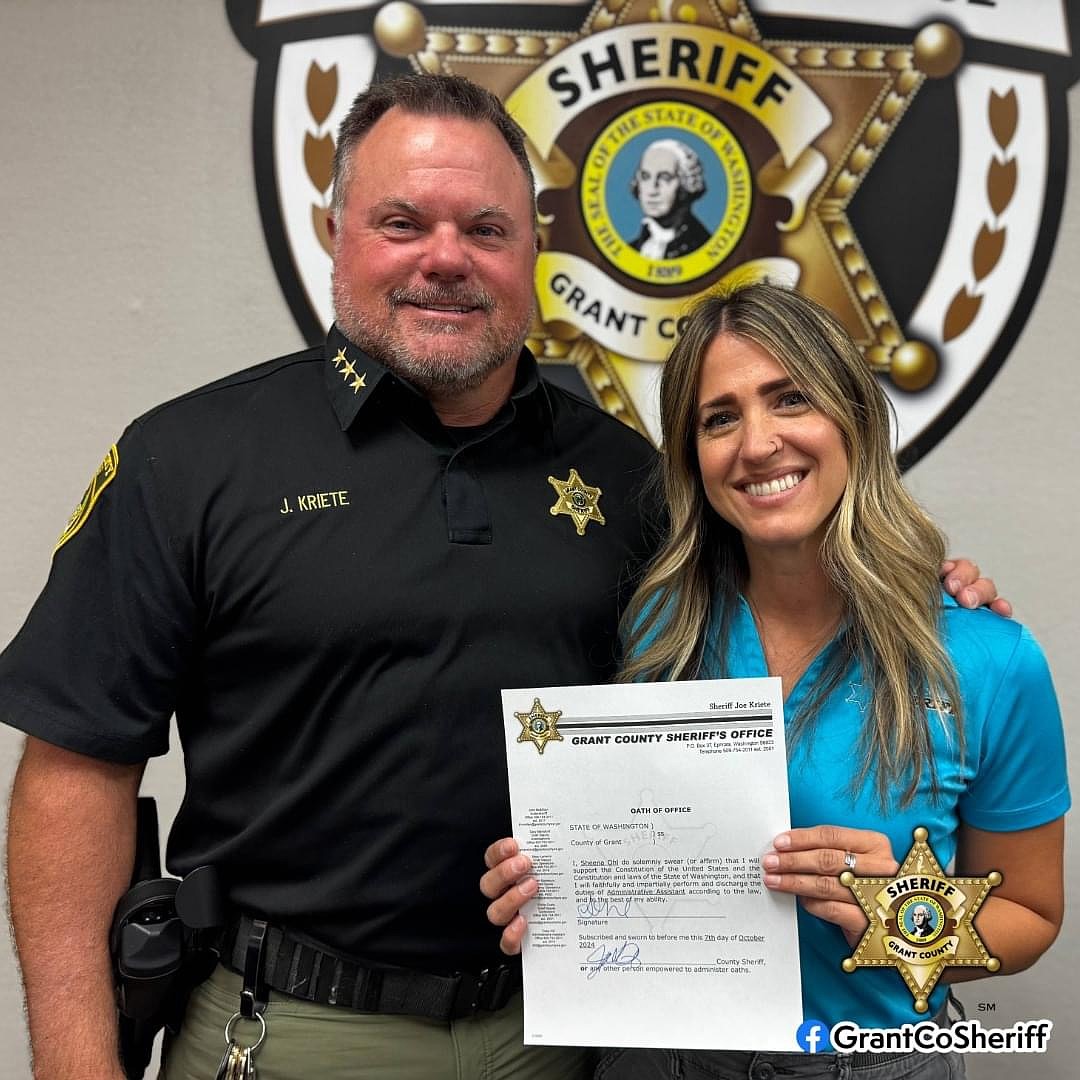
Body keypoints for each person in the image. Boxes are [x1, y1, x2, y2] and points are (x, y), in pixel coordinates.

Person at [0, 73, 1001, 1080]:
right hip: (293, 1031)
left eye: (486, 229)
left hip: (570, 1033)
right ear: (338, 229)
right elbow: (75, 772)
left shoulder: (632, 481)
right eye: (403, 222)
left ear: (533, 254)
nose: (446, 259)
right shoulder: (193, 461)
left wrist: (932, 590)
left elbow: (796, 596)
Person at [481, 283, 1066, 1080]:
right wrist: (551, 888)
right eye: (720, 418)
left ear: (851, 416)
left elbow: (1032, 916)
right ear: (694, 458)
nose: (757, 444)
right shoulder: (656, 627)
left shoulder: (987, 657)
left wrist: (896, 918)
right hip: (663, 1059)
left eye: (790, 400)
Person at [629, 139, 711, 259]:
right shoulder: (631, 250)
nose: (652, 190)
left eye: (665, 178)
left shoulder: (704, 249)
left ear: (686, 184)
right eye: (645, 176)